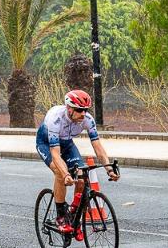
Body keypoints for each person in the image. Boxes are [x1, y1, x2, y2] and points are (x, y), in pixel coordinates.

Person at [37, 89, 118, 235]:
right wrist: (66, 174)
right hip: (46, 143)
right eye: (79, 110)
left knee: (81, 177)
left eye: (85, 110)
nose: (83, 113)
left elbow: (97, 146)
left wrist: (109, 169)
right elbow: (55, 153)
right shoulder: (56, 118)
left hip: (67, 144)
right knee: (60, 173)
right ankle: (61, 215)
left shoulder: (87, 119)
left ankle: (73, 215)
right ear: (69, 108)